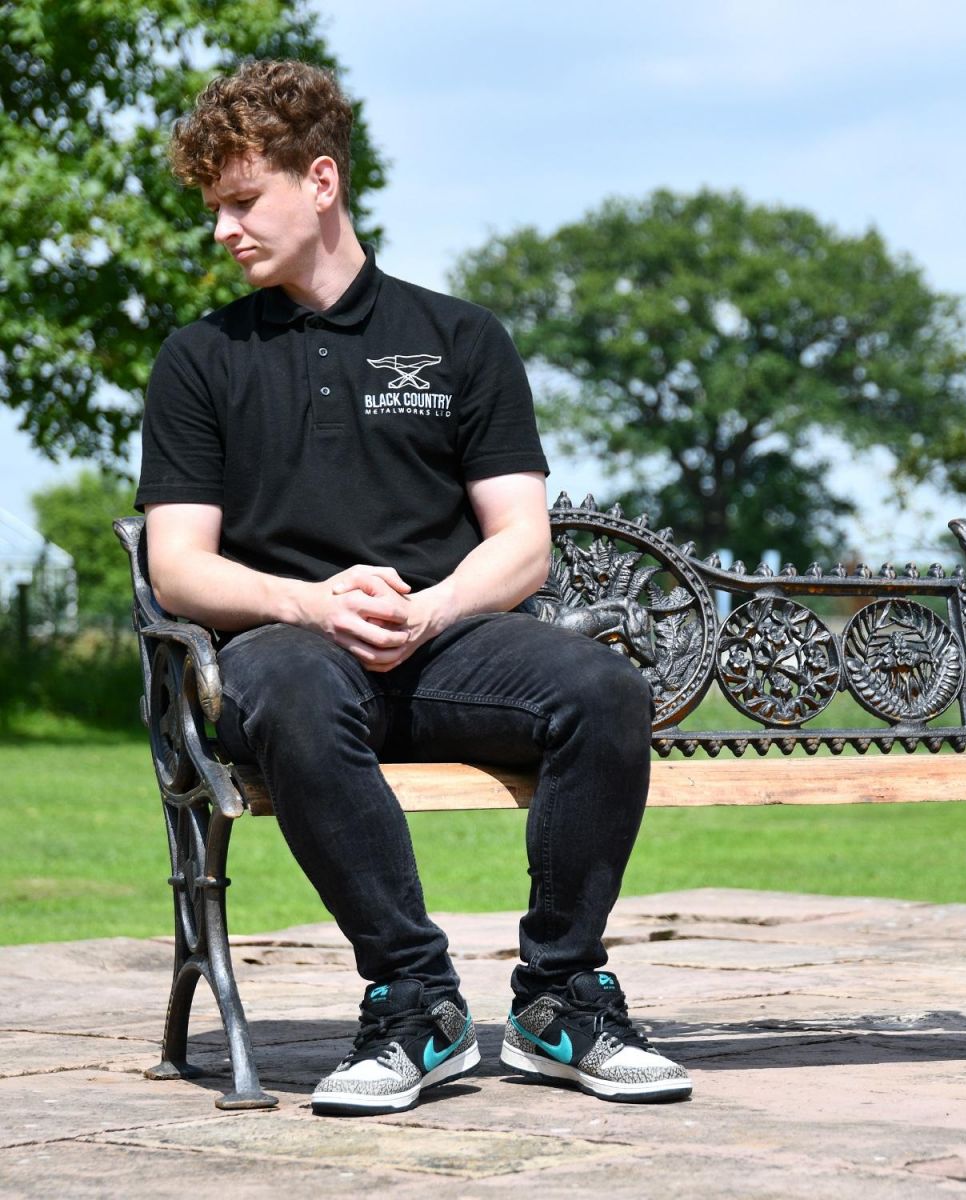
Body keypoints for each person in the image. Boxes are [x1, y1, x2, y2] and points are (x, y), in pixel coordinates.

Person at [137, 58, 691, 1114]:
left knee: (602, 691)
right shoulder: (199, 361)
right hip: (288, 651)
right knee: (296, 689)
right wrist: (312, 601)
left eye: (243, 201)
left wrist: (430, 608)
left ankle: (561, 1000)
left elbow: (521, 544)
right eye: (215, 208)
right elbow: (179, 565)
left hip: (443, 647)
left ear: (322, 181)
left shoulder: (459, 339)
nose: (224, 230)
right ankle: (415, 1006)